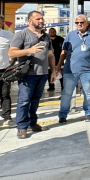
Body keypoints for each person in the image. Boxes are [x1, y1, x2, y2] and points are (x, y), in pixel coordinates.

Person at [8, 11, 57, 139]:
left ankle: (33, 123)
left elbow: (51, 55)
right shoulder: (21, 35)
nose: (41, 21)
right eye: (38, 19)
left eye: (42, 19)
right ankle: (22, 127)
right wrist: (30, 50)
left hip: (42, 73)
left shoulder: (46, 37)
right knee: (24, 101)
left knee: (35, 100)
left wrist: (53, 71)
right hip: (28, 74)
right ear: (30, 21)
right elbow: (11, 53)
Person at [56, 14, 90, 123]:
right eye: (77, 23)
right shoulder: (70, 35)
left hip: (88, 69)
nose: (79, 24)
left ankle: (88, 112)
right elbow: (64, 51)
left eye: (81, 22)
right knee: (67, 93)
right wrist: (59, 65)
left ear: (87, 23)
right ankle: (63, 115)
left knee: (88, 92)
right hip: (70, 69)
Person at [47, 27, 64, 92]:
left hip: (59, 60)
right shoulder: (47, 40)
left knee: (61, 74)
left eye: (53, 32)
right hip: (49, 61)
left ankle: (63, 86)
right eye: (51, 32)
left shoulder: (61, 39)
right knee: (49, 74)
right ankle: (51, 86)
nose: (52, 33)